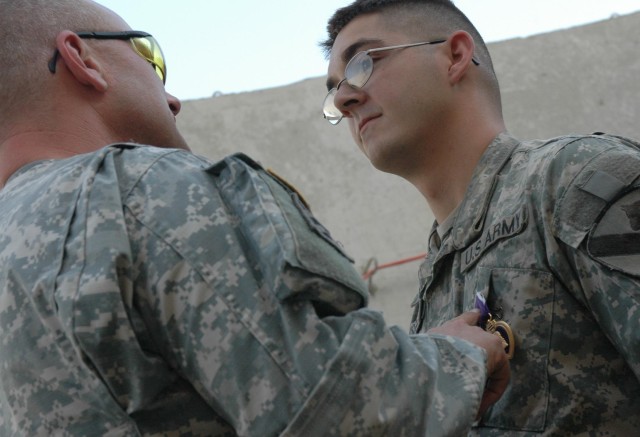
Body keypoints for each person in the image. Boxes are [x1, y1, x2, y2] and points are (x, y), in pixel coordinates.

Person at [0, 0, 511, 435]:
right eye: (151, 58)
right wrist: (456, 357)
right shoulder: (146, 189)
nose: (172, 99)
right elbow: (336, 409)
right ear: (82, 58)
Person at [321, 0, 640, 435]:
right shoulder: (433, 284)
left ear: (454, 56)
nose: (343, 99)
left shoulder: (576, 180)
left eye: (363, 63)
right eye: (334, 87)